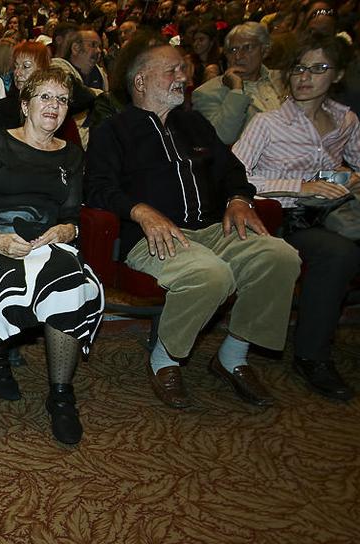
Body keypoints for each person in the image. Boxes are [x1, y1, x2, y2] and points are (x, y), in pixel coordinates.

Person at [85, 43, 302, 409]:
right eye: (171, 70)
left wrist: (239, 199)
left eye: (183, 70)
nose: (183, 78)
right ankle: (165, 358)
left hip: (213, 228)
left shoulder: (195, 124)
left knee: (280, 257)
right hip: (154, 237)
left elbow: (233, 171)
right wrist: (139, 210)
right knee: (210, 274)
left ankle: (233, 355)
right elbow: (97, 188)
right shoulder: (113, 131)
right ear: (141, 81)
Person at [0, 67, 103, 445]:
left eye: (62, 100)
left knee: (68, 278)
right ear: (25, 105)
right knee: (8, 277)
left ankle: (61, 395)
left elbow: (72, 216)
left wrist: (66, 231)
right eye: (45, 97)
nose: (54, 105)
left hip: (46, 245)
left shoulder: (72, 155)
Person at [232, 33, 360, 400]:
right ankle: (312, 356)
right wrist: (300, 187)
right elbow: (235, 178)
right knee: (338, 254)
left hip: (331, 213)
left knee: (341, 249)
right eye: (299, 68)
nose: (305, 77)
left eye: (318, 68)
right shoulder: (268, 123)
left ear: (337, 75)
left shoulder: (344, 119)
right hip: (280, 218)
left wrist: (349, 178)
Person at [192, 22, 285, 144]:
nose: (238, 56)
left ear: (265, 50)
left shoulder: (283, 79)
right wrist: (236, 90)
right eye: (233, 50)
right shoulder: (206, 93)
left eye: (247, 48)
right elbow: (222, 137)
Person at [0, 41, 52, 130]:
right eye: (16, 66)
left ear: (42, 70)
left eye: (26, 66)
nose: (17, 73)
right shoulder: (4, 106)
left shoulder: (52, 107)